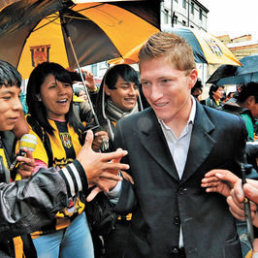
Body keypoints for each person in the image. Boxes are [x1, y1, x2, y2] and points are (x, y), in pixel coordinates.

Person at [100, 32, 248, 257]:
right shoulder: (128, 130)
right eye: (146, 83)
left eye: (165, 81)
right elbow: (131, 197)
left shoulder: (229, 127)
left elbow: (242, 184)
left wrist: (241, 192)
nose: (154, 95)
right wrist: (114, 187)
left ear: (191, 78)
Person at [0, 60, 129, 257]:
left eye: (67, 85)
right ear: (37, 95)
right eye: (53, 87)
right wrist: (83, 171)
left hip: (77, 221)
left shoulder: (76, 126)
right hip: (42, 231)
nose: (63, 92)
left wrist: (96, 152)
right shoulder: (28, 130)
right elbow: (39, 181)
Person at [95, 64, 141, 257]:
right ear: (107, 89)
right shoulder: (97, 124)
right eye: (125, 87)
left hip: (146, 213)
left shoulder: (149, 120)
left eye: (135, 86)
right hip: (115, 218)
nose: (132, 93)